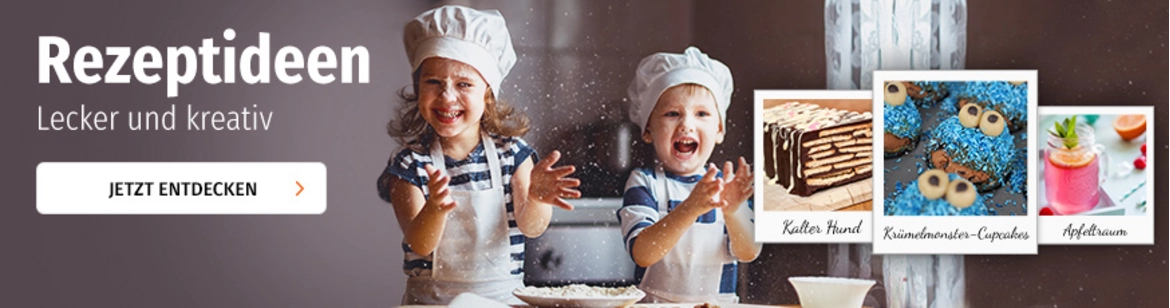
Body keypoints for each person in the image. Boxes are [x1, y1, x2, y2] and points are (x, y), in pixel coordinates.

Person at [376, 5, 579, 305]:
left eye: (463, 84)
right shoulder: (409, 164)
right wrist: (435, 208)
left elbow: (531, 228)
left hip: (502, 301)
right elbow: (420, 243)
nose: (447, 96)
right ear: (417, 87)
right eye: (433, 82)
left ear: (488, 94)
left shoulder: (513, 155)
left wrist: (535, 197)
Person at [619, 46, 762, 303]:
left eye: (702, 114)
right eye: (672, 113)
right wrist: (690, 208)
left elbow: (749, 251)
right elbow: (642, 252)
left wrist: (733, 212)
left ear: (719, 130)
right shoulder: (644, 183)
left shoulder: (727, 189)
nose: (686, 124)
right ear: (648, 129)